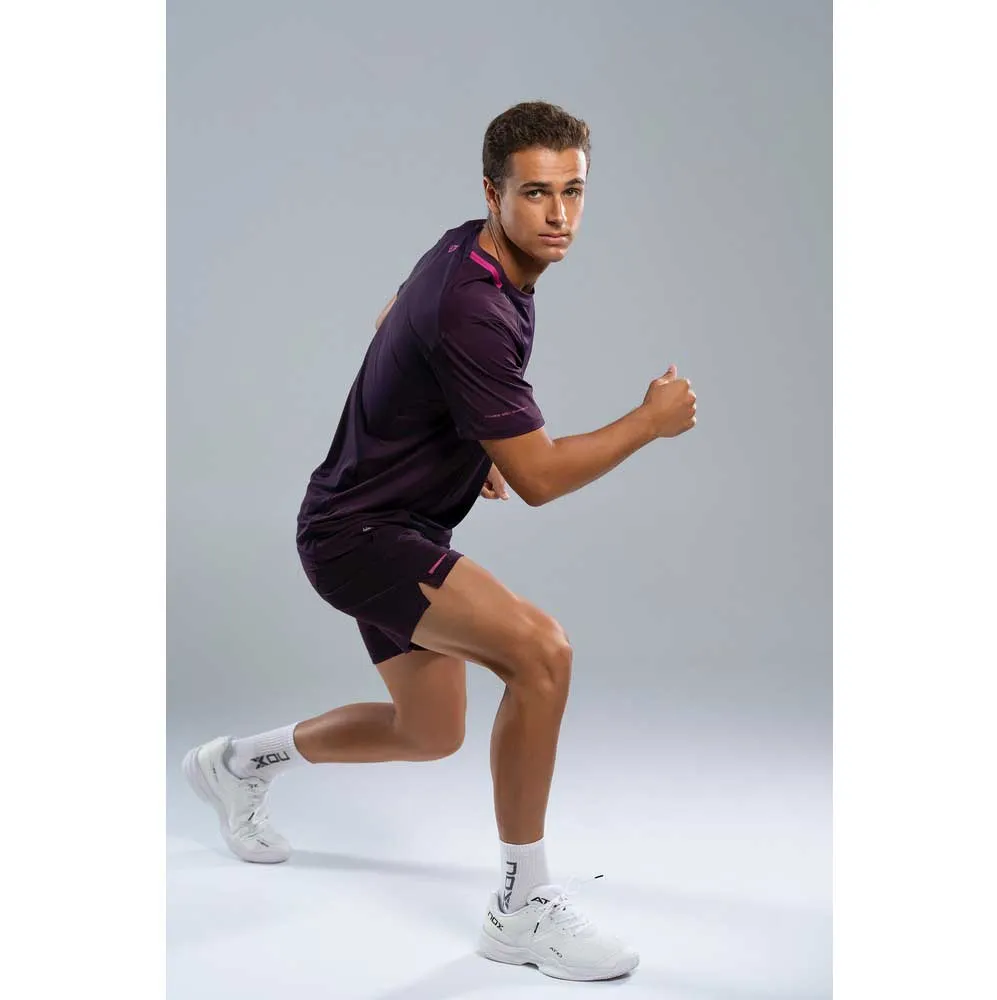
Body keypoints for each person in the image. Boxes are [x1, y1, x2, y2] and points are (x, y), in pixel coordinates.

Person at [182, 100, 697, 982]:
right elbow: (538, 479)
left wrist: (468, 433)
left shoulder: (464, 250)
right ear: (493, 194)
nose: (558, 214)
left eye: (573, 191)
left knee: (429, 732)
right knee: (542, 655)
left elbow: (393, 317)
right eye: (535, 193)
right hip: (360, 536)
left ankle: (237, 765)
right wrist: (648, 422)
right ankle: (521, 909)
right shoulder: (475, 305)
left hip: (378, 522)